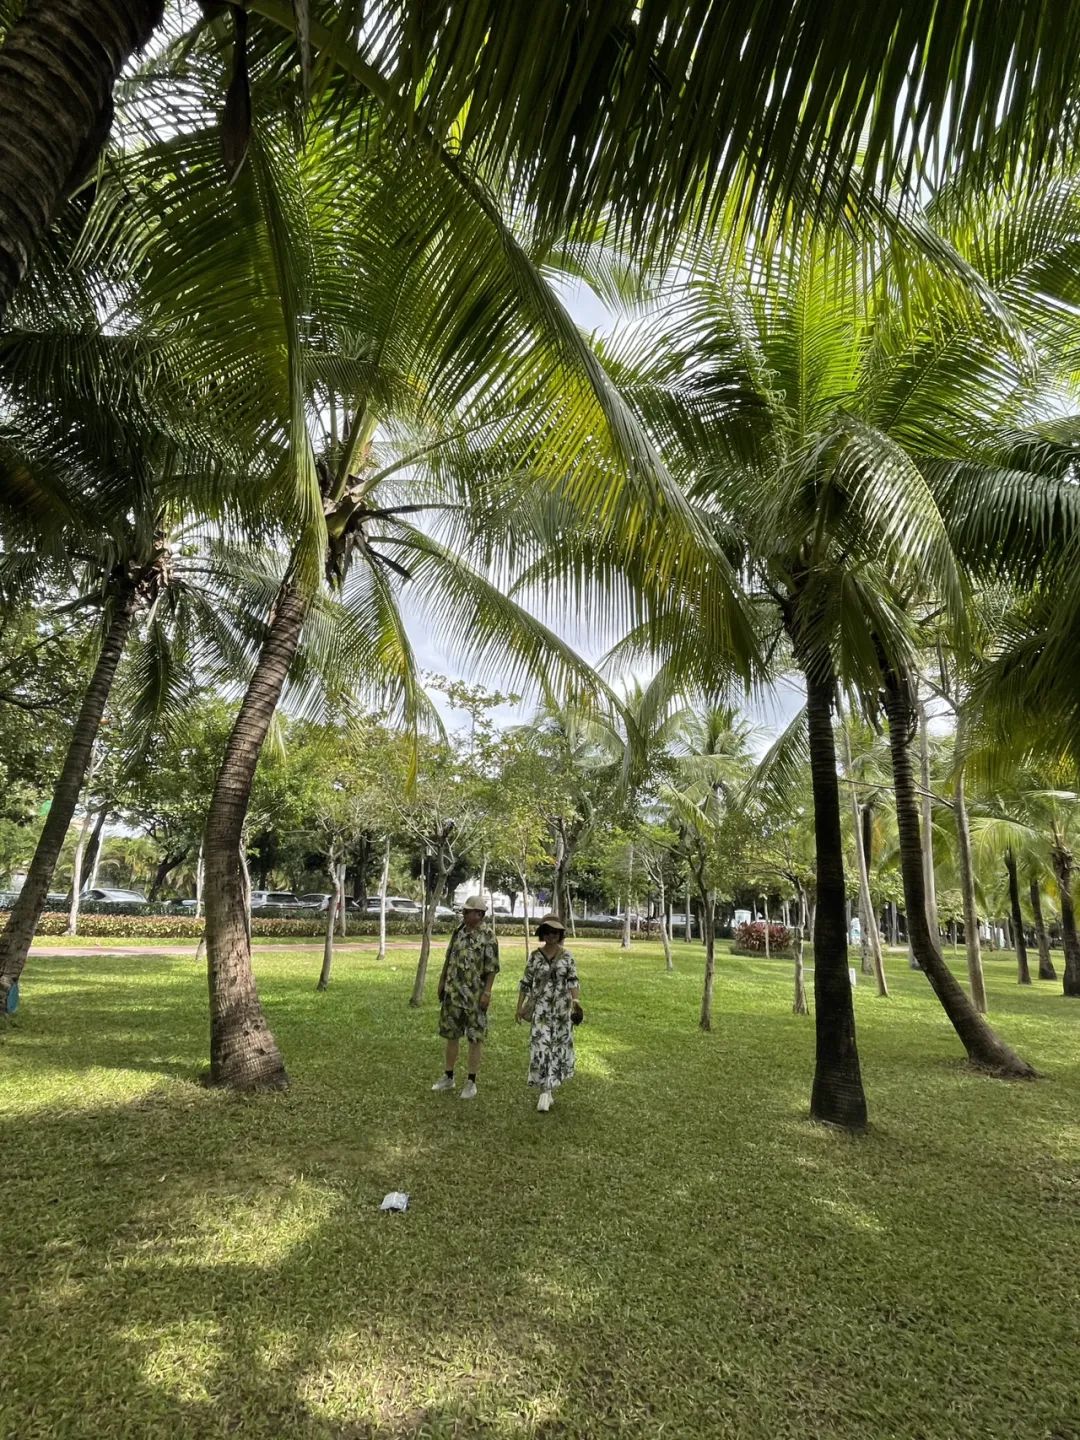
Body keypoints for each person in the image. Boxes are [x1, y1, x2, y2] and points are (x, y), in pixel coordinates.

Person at [432, 895, 500, 1100]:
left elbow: (492, 968)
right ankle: (448, 1076)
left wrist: (487, 992)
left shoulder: (488, 936)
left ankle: (471, 1081)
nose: (464, 914)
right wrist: (442, 981)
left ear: (479, 914)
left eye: (467, 911)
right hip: (453, 993)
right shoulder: (459, 932)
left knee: (474, 1038)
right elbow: (448, 957)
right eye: (464, 911)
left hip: (474, 996)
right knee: (451, 1035)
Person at [516, 913, 581, 1113]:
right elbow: (526, 982)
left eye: (555, 932)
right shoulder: (535, 957)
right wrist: (519, 1007)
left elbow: (573, 981)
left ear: (560, 934)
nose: (551, 935)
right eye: (547, 932)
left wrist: (576, 1003)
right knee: (540, 1047)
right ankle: (545, 1089)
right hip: (541, 1009)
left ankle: (549, 1089)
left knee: (557, 1048)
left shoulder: (568, 957)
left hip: (562, 1010)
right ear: (542, 934)